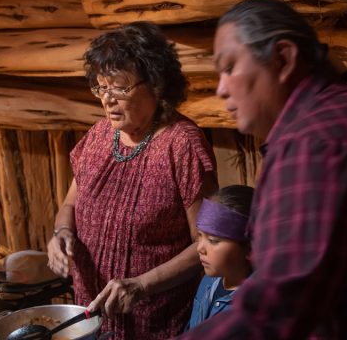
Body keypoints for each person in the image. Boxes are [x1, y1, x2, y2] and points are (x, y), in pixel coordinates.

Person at [178, 0, 347, 339]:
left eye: (229, 68)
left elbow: (277, 311)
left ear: (283, 58)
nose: (221, 88)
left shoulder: (313, 144)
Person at [45, 21, 218, 339]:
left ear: (156, 84)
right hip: (92, 318)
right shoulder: (98, 135)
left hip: (157, 321)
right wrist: (61, 233)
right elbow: (70, 203)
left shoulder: (182, 144)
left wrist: (141, 285)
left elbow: (206, 244)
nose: (107, 100)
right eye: (101, 87)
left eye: (120, 88)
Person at [186, 185, 254, 330]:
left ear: (250, 248)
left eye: (213, 240)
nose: (199, 248)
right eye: (200, 235)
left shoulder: (252, 310)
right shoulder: (208, 281)